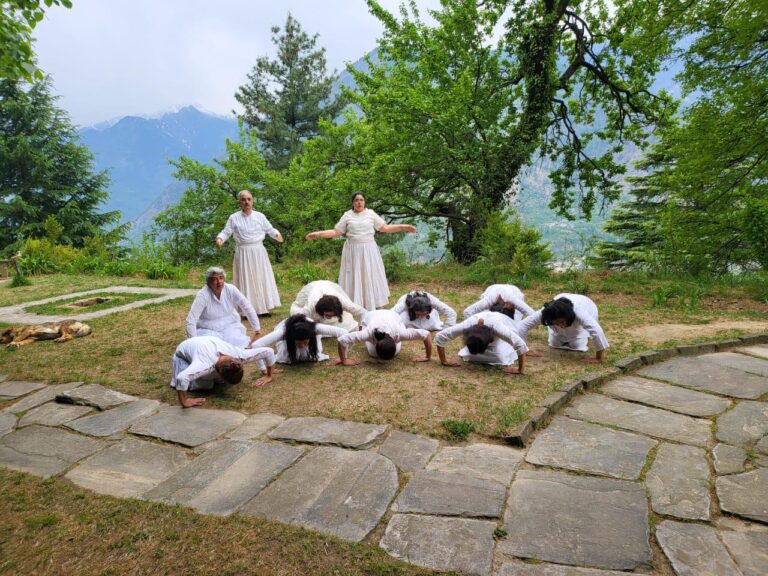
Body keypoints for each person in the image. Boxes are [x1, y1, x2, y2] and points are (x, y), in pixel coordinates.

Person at [305, 192, 416, 310]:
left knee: (370, 275)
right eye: (356, 200)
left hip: (369, 250)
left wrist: (404, 227)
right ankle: (353, 305)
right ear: (353, 203)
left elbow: (385, 228)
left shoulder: (371, 214)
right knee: (353, 277)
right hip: (352, 252)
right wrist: (318, 234)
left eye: (361, 200)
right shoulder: (347, 216)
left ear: (364, 202)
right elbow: (336, 232)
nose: (359, 202)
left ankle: (375, 305)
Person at [215, 190, 283, 314]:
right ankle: (247, 310)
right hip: (243, 253)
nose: (246, 202)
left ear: (252, 201)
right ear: (239, 202)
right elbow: (226, 232)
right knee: (245, 279)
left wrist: (277, 234)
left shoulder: (260, 216)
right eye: (243, 199)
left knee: (261, 278)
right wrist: (220, 239)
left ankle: (264, 308)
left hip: (258, 252)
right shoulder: (234, 217)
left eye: (249, 199)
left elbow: (269, 229)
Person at [170, 335, 277, 408]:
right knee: (204, 386)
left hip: (207, 341)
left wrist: (269, 376)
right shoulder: (205, 364)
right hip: (184, 352)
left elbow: (268, 352)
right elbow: (182, 377)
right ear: (219, 373)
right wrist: (184, 402)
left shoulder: (239, 355)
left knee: (211, 383)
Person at [516, 294, 609, 363]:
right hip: (561, 302)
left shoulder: (580, 312)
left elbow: (596, 330)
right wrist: (524, 349)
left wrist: (598, 358)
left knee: (577, 345)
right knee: (554, 344)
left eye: (560, 322)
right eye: (554, 323)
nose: (559, 325)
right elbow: (522, 326)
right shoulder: (545, 313)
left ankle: (582, 336)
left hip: (586, 305)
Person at [434, 308, 528, 374]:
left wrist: (520, 369)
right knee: (472, 356)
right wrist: (444, 361)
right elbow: (440, 336)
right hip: (480, 336)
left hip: (503, 323)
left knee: (500, 357)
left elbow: (520, 345)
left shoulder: (498, 328)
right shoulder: (468, 325)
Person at [186, 267, 260, 348]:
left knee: (238, 344)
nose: (219, 282)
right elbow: (191, 320)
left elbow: (246, 306)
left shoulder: (231, 289)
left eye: (221, 278)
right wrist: (193, 344)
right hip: (208, 330)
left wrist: (257, 330)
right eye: (215, 279)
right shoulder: (202, 295)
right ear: (208, 282)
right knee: (213, 348)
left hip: (230, 326)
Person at [334, 309, 432, 365]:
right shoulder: (368, 333)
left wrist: (427, 356)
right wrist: (344, 360)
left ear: (394, 341)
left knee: (394, 352)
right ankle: (363, 328)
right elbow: (342, 340)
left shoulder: (400, 333)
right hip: (371, 315)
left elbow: (426, 334)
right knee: (373, 353)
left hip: (392, 316)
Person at [252, 314, 349, 364]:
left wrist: (343, 358)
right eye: (299, 343)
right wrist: (265, 369)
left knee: (313, 354)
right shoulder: (282, 332)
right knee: (287, 357)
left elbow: (344, 333)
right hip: (288, 341)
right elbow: (256, 345)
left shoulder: (315, 328)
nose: (302, 346)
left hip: (310, 337)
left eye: (305, 342)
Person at [289, 280, 366, 331]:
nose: (330, 317)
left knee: (343, 322)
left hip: (329, 287)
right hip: (312, 289)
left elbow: (361, 311)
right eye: (328, 315)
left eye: (333, 315)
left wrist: (364, 324)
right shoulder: (312, 304)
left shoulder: (342, 301)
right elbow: (301, 317)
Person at [462, 284, 535, 323]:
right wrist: (475, 328)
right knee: (485, 321)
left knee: (516, 325)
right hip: (492, 288)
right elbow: (467, 312)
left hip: (514, 290)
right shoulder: (489, 300)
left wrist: (524, 326)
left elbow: (533, 315)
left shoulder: (514, 300)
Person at [391, 290, 457, 331]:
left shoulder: (432, 301)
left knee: (431, 324)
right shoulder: (405, 303)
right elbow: (389, 314)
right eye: (418, 314)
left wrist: (446, 330)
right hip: (409, 316)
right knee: (403, 320)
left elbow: (451, 313)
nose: (421, 316)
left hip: (428, 317)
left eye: (424, 313)